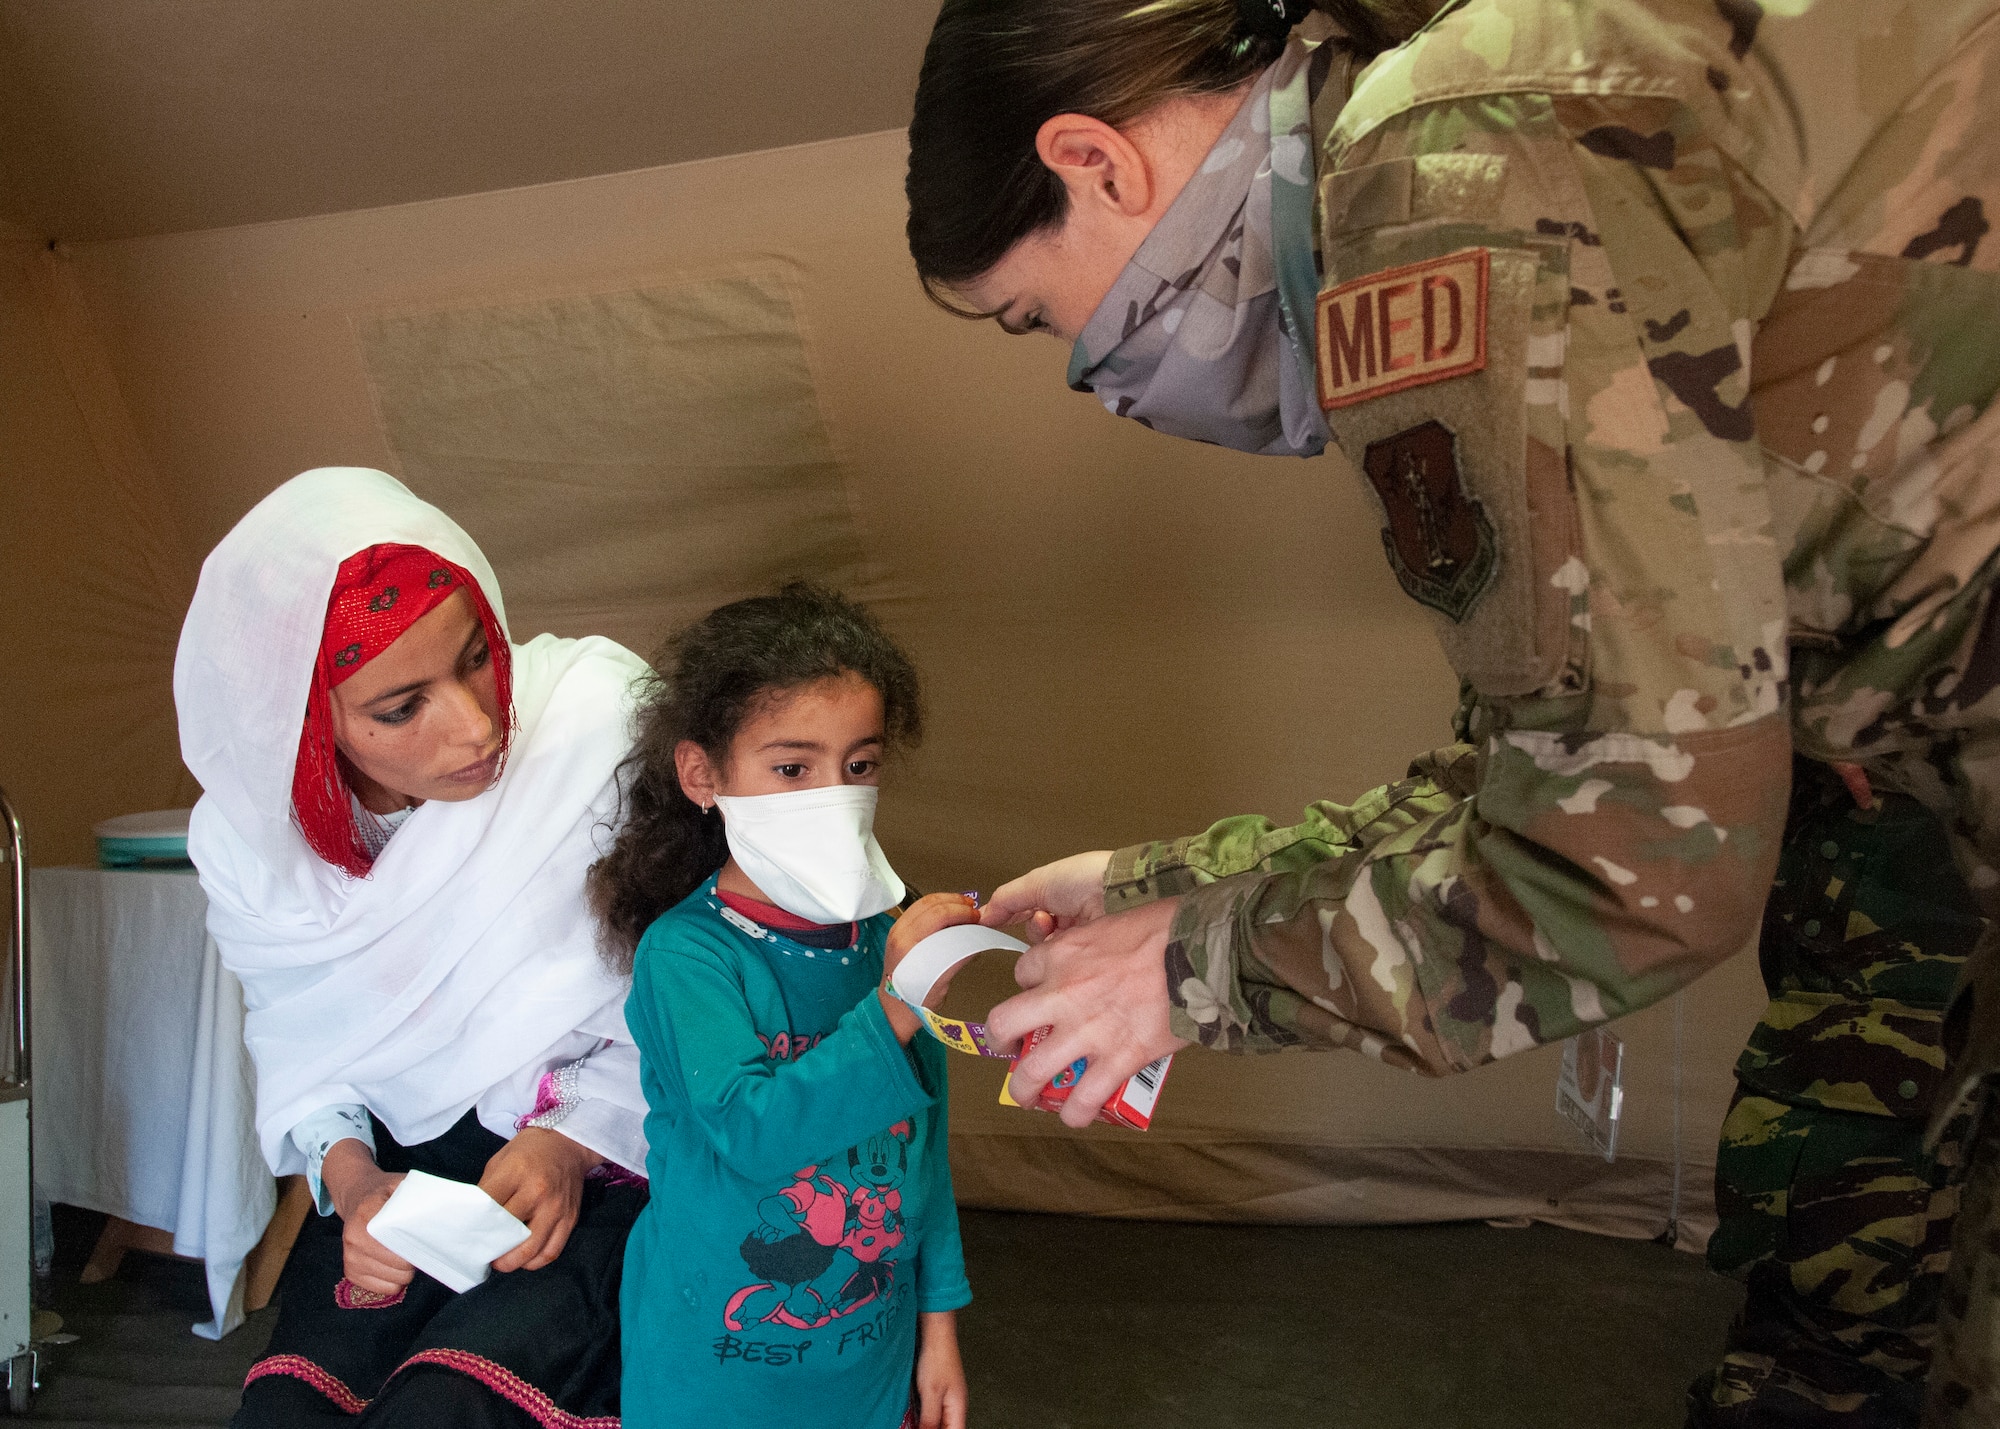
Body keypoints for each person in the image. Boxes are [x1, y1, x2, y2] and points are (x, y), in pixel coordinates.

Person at [903, 2, 2000, 1426]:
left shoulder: (1437, 181)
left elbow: (1634, 864)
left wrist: (1185, 975)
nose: (1099, 391)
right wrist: (1153, 889)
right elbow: (1532, 770)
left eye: (1037, 319)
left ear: (1095, 163)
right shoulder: (1489, 99)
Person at [174, 467, 652, 1426]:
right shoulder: (251, 848)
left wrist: (568, 1141)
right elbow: (299, 1044)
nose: (478, 724)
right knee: (292, 1414)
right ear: (306, 732)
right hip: (400, 1179)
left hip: (605, 1154)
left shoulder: (600, 724)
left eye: (479, 656)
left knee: (452, 1405)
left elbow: (717, 975)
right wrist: (355, 1186)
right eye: (401, 709)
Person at [589, 584, 972, 1429]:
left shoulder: (885, 937)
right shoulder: (689, 956)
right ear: (704, 774)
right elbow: (753, 1131)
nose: (833, 794)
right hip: (710, 1374)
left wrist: (936, 1329)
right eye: (792, 767)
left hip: (869, 1364)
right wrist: (895, 1005)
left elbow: (927, 1148)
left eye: (859, 766)